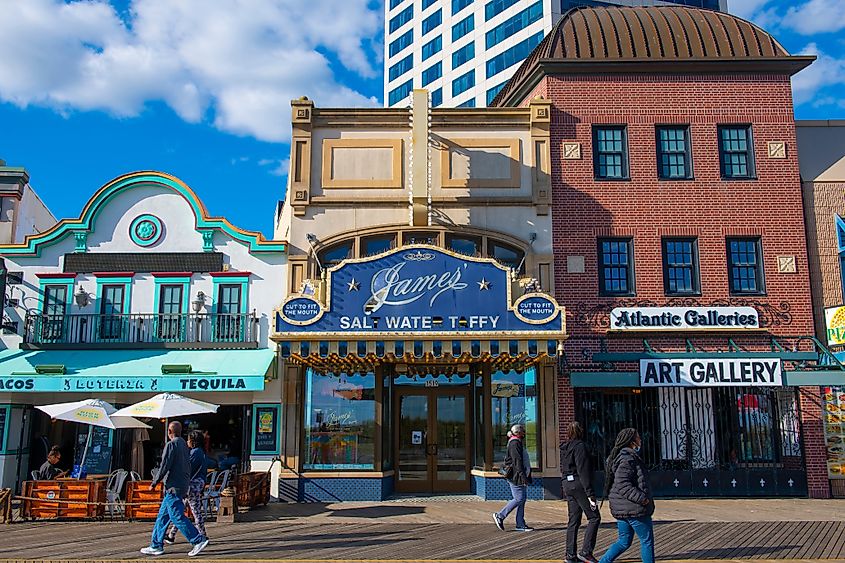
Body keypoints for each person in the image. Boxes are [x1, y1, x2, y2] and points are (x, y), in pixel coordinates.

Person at [140, 421, 209, 558]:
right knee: (163, 516)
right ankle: (156, 545)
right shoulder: (184, 445)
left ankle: (197, 539)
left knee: (176, 516)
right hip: (181, 485)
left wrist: (154, 482)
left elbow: (164, 465)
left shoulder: (171, 445)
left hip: (173, 487)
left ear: (169, 432)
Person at [599, 428, 655, 563]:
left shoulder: (621, 457)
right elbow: (623, 484)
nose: (640, 440)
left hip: (622, 508)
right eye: (638, 437)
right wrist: (642, 499)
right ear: (631, 441)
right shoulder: (627, 459)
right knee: (646, 542)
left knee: (624, 541)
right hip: (634, 508)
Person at [560, 422, 600, 563]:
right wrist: (590, 494)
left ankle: (570, 554)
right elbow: (583, 471)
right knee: (594, 517)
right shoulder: (580, 447)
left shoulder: (565, 448)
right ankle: (586, 552)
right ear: (581, 432)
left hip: (567, 484)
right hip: (579, 484)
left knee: (574, 520)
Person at [164, 431, 208, 546]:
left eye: (188, 439)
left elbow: (188, 469)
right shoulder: (201, 452)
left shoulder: (195, 452)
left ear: (193, 441)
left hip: (192, 485)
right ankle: (171, 535)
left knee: (193, 511)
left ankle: (202, 535)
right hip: (197, 484)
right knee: (181, 511)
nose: (187, 441)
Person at [492, 424, 533, 532]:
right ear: (518, 432)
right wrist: (522, 476)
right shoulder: (514, 443)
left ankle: (520, 523)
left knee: (522, 499)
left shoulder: (516, 441)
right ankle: (500, 515)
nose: (524, 433)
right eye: (523, 431)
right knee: (518, 498)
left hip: (519, 475)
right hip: (516, 476)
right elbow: (517, 461)